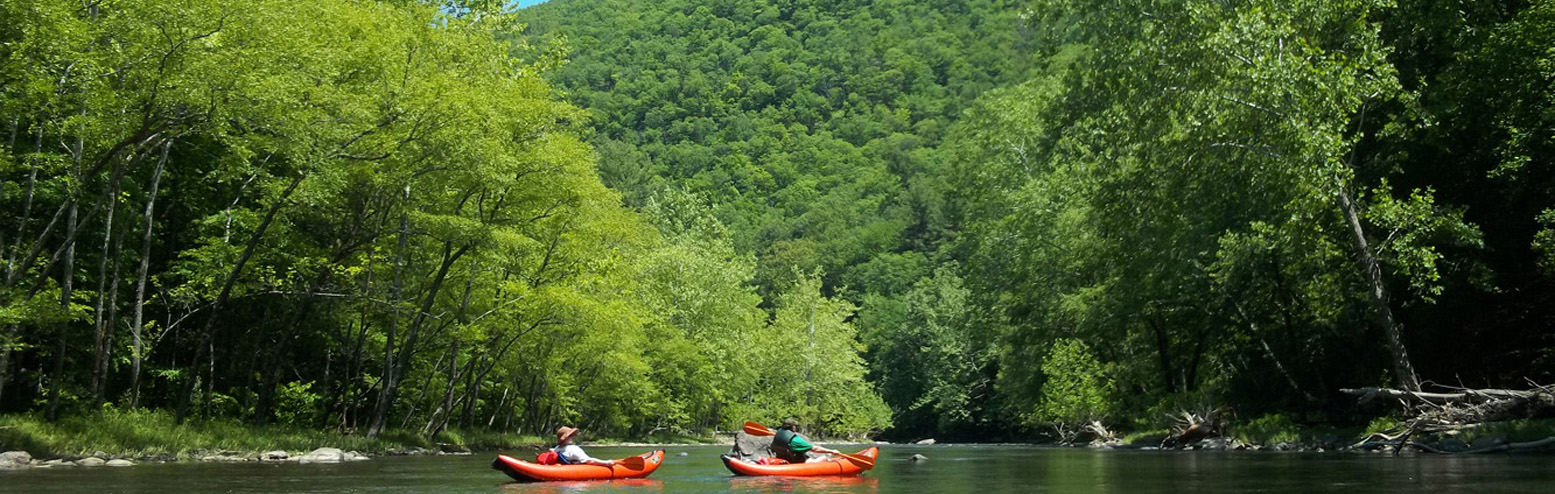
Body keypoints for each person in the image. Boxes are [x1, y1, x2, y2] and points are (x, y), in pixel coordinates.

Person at [770, 418, 841, 463]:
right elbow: (815, 449)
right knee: (824, 457)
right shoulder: (795, 440)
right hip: (798, 463)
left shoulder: (779, 433)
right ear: (793, 427)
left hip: (784, 460)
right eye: (795, 426)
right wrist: (831, 451)